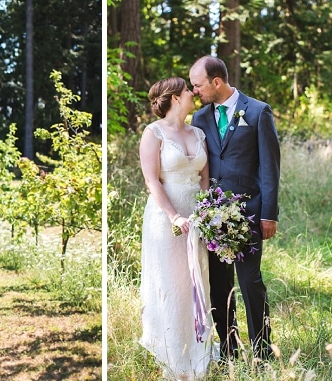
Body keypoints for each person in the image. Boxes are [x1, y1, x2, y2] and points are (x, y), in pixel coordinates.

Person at [189, 55, 280, 360]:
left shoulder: (257, 112)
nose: (195, 91)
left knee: (250, 282)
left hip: (250, 213)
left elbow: (270, 168)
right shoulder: (200, 118)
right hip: (213, 217)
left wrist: (269, 214)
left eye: (198, 85)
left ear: (217, 82)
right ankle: (229, 350)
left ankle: (262, 351)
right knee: (218, 284)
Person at [139, 77, 213, 380]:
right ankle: (170, 350)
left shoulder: (198, 132)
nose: (193, 94)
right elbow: (151, 180)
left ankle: (198, 348)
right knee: (171, 282)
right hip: (165, 218)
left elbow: (205, 178)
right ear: (174, 98)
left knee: (196, 281)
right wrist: (174, 217)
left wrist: (206, 213)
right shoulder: (153, 133)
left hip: (197, 216)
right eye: (187, 91)